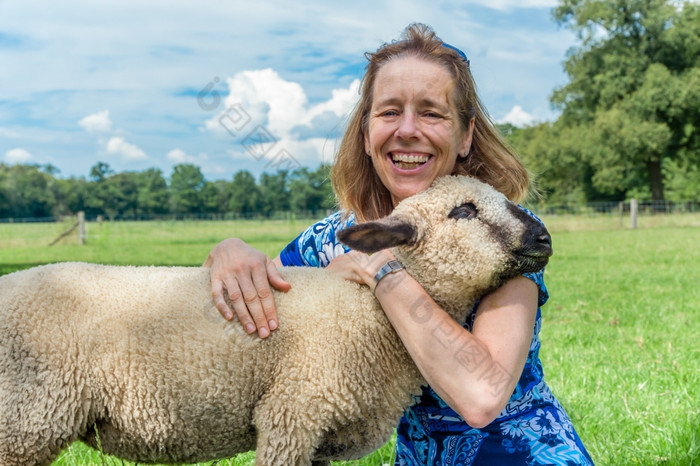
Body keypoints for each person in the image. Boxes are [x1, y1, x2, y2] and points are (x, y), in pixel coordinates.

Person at [204, 23, 593, 465]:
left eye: (431, 113)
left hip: (524, 454)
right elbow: (264, 301)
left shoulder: (500, 231)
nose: (408, 130)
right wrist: (231, 253)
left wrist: (383, 271)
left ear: (465, 135)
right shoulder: (330, 240)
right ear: (367, 133)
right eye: (389, 112)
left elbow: (482, 397)